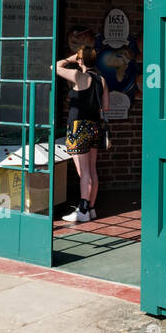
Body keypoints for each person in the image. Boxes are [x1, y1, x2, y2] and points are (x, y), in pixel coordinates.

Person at [55, 45, 109, 223]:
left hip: (78, 127)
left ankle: (83, 209)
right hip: (95, 126)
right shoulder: (101, 80)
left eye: (78, 59)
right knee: (92, 169)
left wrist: (70, 59)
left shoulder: (78, 76)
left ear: (80, 60)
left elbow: (54, 67)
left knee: (83, 171)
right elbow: (105, 107)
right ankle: (91, 208)